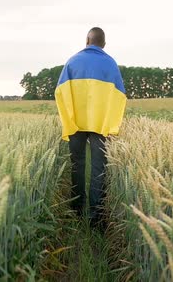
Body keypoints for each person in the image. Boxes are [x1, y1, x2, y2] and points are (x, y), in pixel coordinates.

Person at [54, 27, 127, 228]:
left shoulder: (72, 61)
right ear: (104, 44)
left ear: (87, 40)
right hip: (100, 124)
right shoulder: (110, 64)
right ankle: (96, 218)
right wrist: (111, 124)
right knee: (98, 167)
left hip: (76, 123)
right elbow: (120, 96)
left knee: (77, 164)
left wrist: (69, 121)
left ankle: (76, 211)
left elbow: (59, 92)